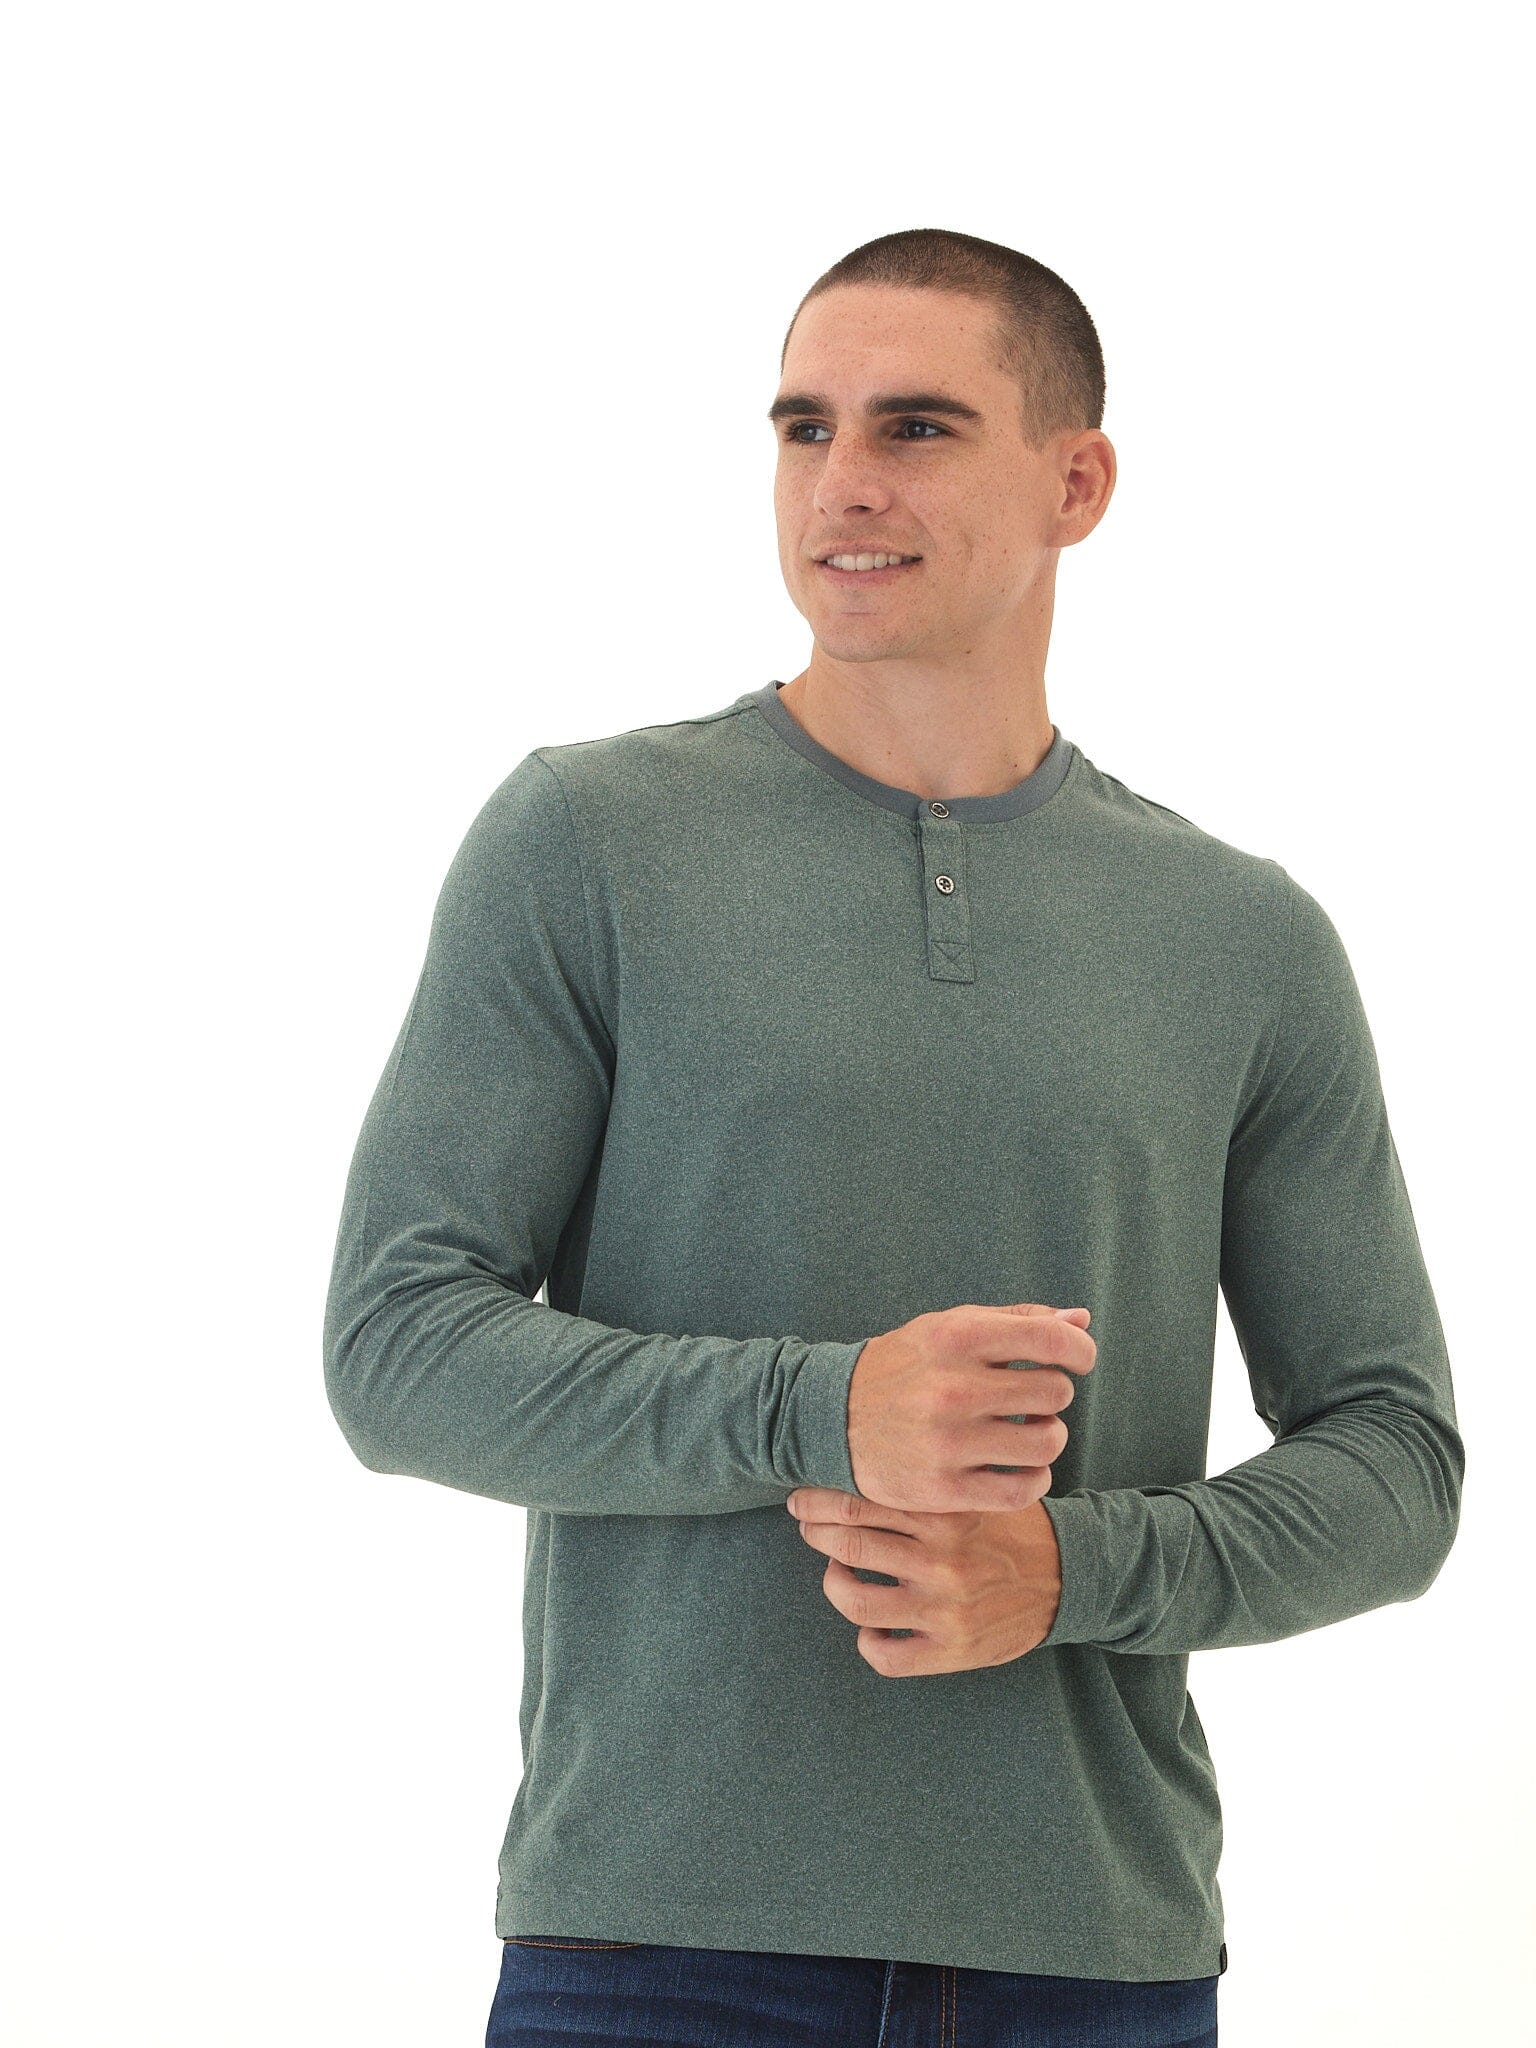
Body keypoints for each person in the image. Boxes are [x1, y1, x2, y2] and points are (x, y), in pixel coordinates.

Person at [322, 228, 1464, 2048]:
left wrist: (1069, 1571)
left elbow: (1398, 1463)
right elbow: (396, 1353)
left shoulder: (1243, 938)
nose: (842, 483)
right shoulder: (589, 842)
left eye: (916, 427)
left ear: (1076, 483)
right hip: (653, 1948)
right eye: (804, 427)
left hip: (1096, 1959)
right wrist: (825, 1405)